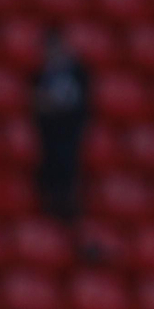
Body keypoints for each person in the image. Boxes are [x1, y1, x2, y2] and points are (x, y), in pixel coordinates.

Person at [32, 27, 91, 222]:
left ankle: (66, 204)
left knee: (66, 163)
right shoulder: (40, 74)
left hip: (67, 133)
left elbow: (77, 102)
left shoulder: (77, 72)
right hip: (49, 134)